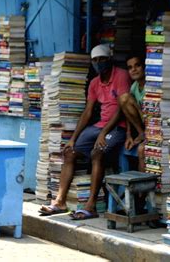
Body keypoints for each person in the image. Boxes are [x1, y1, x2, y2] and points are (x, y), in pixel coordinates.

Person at [39, 44, 131, 220]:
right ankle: (60, 201)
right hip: (99, 126)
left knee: (98, 153)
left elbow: (121, 108)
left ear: (109, 59)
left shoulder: (121, 75)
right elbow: (88, 111)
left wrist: (104, 133)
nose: (99, 63)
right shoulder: (95, 83)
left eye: (102, 59)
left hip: (118, 127)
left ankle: (91, 205)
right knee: (70, 152)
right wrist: (73, 138)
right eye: (95, 60)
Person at [119, 55, 146, 171]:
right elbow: (127, 112)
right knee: (123, 98)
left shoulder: (152, 84)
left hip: (155, 125)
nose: (134, 70)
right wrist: (129, 134)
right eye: (130, 68)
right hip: (143, 126)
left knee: (142, 150)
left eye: (137, 65)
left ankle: (144, 187)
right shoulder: (134, 86)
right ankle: (142, 133)